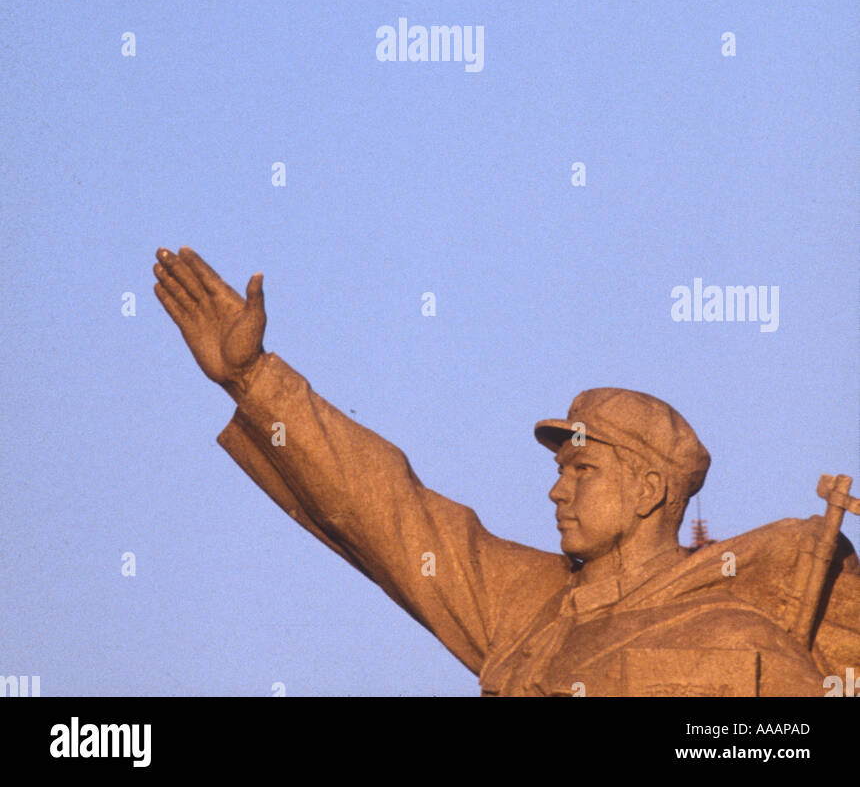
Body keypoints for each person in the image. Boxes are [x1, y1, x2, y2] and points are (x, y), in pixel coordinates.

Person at [153, 245, 857, 697]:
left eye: (582, 468)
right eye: (560, 469)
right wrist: (254, 379)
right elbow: (387, 510)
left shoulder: (740, 635)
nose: (557, 488)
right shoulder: (529, 609)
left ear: (647, 491)